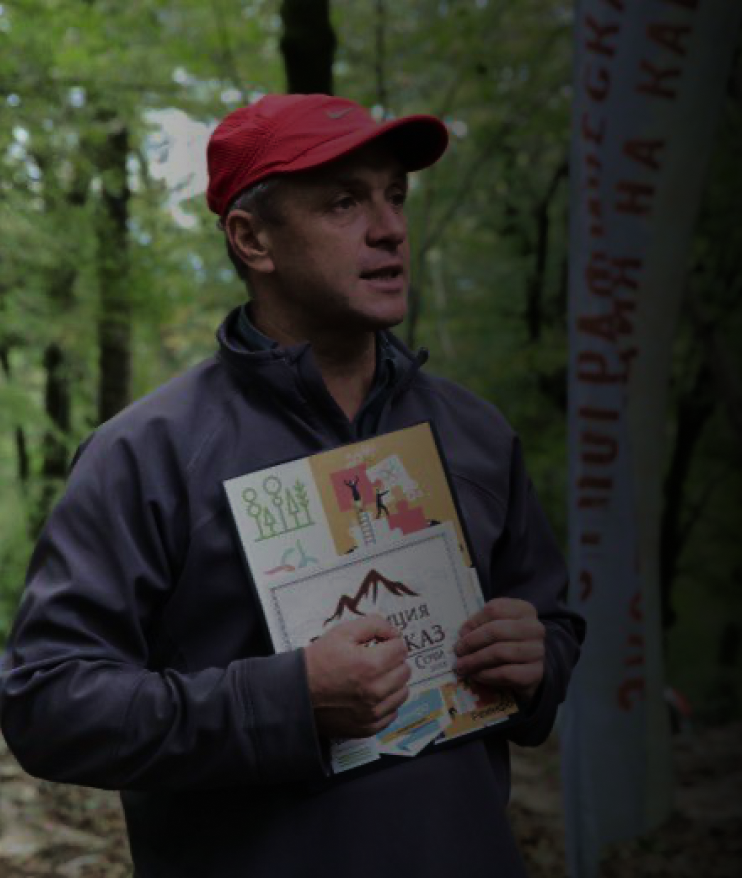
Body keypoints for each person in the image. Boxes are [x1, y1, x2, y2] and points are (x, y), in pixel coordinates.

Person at [0, 93, 584, 877]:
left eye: (395, 196)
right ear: (252, 239)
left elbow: (553, 623)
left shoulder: (475, 433)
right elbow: (46, 705)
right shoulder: (146, 455)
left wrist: (538, 660)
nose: (390, 228)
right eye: (345, 203)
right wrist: (285, 701)